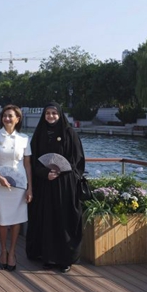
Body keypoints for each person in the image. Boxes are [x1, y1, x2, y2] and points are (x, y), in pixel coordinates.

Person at [26, 102, 86, 273]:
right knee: (47, 220)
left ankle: (65, 258)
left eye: (54, 113)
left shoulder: (69, 133)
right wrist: (45, 173)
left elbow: (77, 160)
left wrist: (62, 172)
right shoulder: (39, 134)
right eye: (47, 113)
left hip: (65, 185)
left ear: (60, 115)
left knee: (63, 219)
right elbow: (34, 160)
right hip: (45, 184)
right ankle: (48, 257)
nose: (51, 116)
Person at [0, 104, 33, 272]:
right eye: (5, 115)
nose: (7, 118)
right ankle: (3, 250)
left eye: (10, 116)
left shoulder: (25, 139)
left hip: (19, 182)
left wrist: (30, 188)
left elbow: (27, 165)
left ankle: (12, 252)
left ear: (17, 119)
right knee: (2, 219)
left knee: (17, 218)